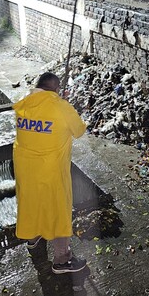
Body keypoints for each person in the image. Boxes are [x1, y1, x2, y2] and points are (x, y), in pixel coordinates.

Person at [12, 72, 88, 274]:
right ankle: (62, 260)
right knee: (57, 209)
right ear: (55, 89)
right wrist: (64, 105)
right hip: (51, 170)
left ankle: (33, 235)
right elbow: (79, 130)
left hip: (25, 169)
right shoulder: (61, 107)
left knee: (31, 201)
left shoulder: (23, 103)